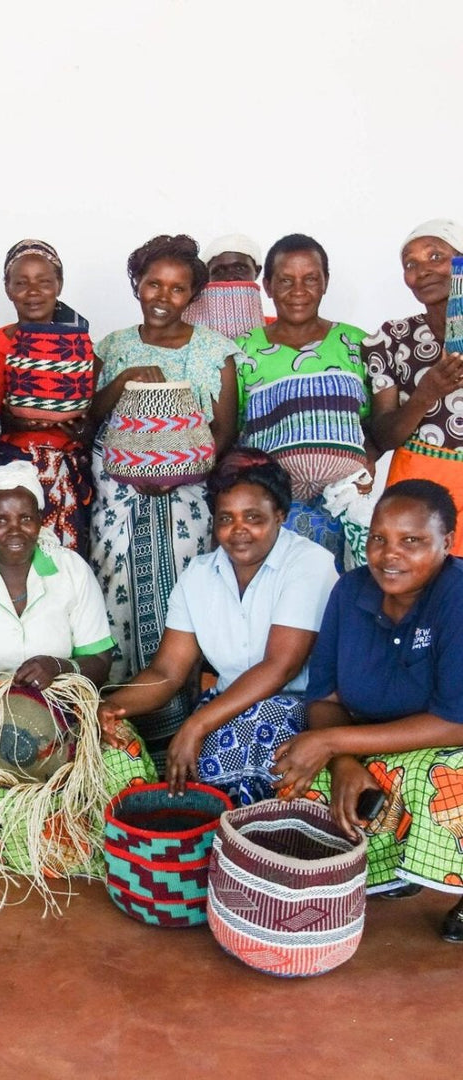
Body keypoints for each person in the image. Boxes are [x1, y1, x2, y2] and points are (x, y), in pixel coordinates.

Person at [0, 461, 153, 876]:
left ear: (41, 521)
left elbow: (100, 659)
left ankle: (117, 850)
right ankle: (7, 849)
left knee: (119, 754)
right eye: (0, 520)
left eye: (25, 518)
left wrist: (61, 666)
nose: (14, 530)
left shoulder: (72, 571)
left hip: (62, 696)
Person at [273, 480, 463, 943]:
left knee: (446, 776)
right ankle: (391, 869)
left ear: (447, 543)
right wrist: (342, 762)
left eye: (411, 541)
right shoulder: (350, 592)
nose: (389, 554)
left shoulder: (456, 599)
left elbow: (455, 720)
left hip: (446, 743)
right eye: (379, 538)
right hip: (370, 740)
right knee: (295, 773)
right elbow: (327, 698)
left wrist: (335, 742)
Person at [98, 450, 337, 804]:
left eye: (253, 517)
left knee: (265, 726)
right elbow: (166, 671)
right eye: (227, 518)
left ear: (280, 516)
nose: (238, 530)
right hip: (225, 710)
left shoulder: (308, 563)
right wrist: (109, 708)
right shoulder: (199, 575)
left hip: (300, 709)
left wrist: (196, 724)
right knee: (121, 741)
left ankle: (262, 849)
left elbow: (280, 667)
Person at [90, 233, 238, 770]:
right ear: (137, 285)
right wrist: (126, 379)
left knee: (182, 603)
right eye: (154, 283)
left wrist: (179, 472)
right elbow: (90, 419)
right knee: (118, 593)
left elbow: (224, 432)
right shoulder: (112, 347)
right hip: (118, 497)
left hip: (187, 500)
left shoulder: (216, 350)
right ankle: (119, 740)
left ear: (193, 295)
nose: (163, 296)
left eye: (178, 289)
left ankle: (178, 737)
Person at [234, 233, 374, 567]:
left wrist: (357, 468)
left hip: (344, 504)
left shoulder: (357, 344)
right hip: (271, 509)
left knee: (340, 596)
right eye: (285, 280)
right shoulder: (242, 350)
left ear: (326, 282)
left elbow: (373, 425)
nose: (299, 291)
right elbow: (231, 433)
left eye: (311, 279)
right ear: (266, 285)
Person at [0, 239, 94, 551]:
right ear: (7, 288)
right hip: (4, 478)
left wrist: (82, 428)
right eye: (21, 283)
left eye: (44, 282)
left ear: (59, 285)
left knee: (62, 570)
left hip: (66, 476)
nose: (33, 291)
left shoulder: (79, 344)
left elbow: (92, 414)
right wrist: (7, 422)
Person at [363, 219, 463, 554]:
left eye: (436, 256)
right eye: (411, 264)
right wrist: (426, 394)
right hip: (416, 496)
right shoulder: (391, 338)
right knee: (414, 591)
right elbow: (383, 435)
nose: (422, 270)